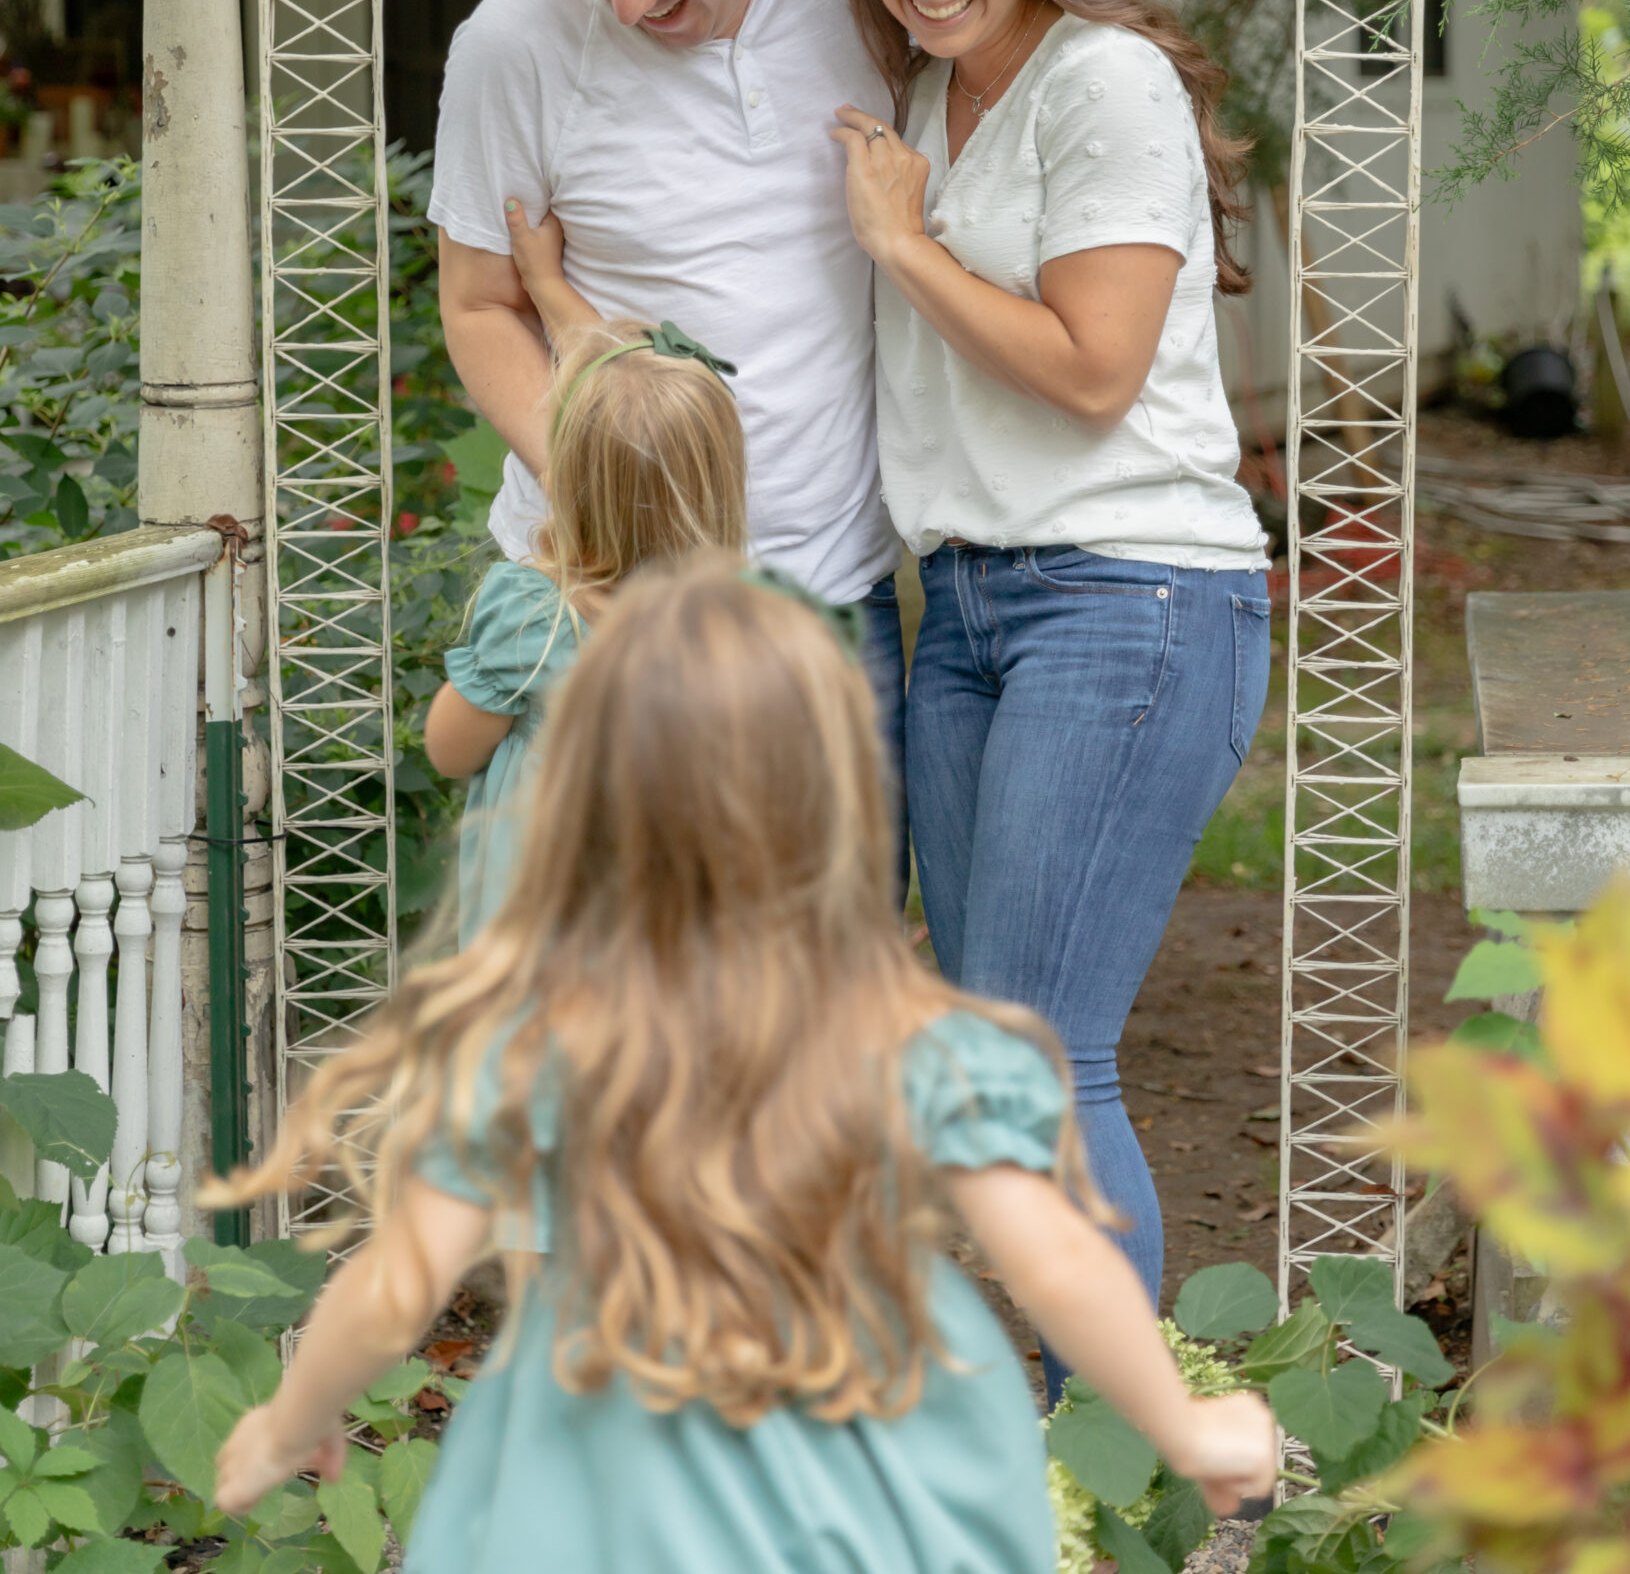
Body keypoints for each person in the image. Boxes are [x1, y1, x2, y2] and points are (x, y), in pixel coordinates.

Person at [211, 563, 1275, 1574]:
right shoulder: (905, 1034)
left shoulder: (539, 1040)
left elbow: (399, 1278)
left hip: (605, 1476)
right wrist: (1182, 1424)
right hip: (872, 1466)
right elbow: (1054, 1258)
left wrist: (288, 1423)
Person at [823, 0, 1272, 1388]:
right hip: (976, 615)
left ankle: (1146, 1490)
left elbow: (1092, 369)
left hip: (1133, 598)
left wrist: (901, 245)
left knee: (1039, 1062)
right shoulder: (935, 93)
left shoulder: (1103, 85)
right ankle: (1062, 1469)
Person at [429, 0, 904, 811]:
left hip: (827, 592)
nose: (625, 3)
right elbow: (479, 302)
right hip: (602, 610)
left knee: (825, 966)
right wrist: (612, 510)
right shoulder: (511, 41)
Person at [425, 317, 746, 942]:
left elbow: (448, 749)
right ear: (719, 488)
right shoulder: (735, 630)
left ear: (566, 480)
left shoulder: (534, 619)